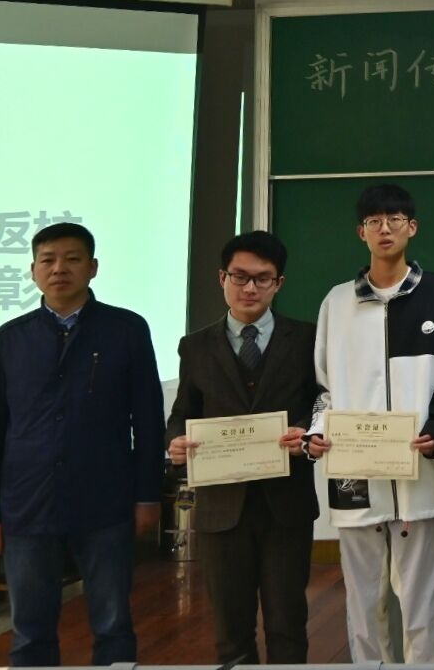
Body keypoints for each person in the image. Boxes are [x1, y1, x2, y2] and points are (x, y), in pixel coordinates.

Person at [0, 223, 164, 666]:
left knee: (113, 625)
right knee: (29, 632)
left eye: (72, 259)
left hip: (106, 501)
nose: (59, 268)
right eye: (48, 260)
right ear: (33, 271)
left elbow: (148, 420)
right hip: (27, 503)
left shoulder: (126, 330)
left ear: (92, 267)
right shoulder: (9, 339)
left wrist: (148, 495)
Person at [304, 184, 434, 663]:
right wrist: (317, 432)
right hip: (354, 475)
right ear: (361, 233)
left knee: (424, 608)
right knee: (363, 605)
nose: (385, 229)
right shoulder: (337, 302)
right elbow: (323, 387)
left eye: (395, 219)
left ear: (411, 227)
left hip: (420, 475)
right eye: (374, 221)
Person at [164, 231, 321, 664]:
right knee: (230, 629)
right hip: (221, 506)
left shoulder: (306, 339)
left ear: (278, 283)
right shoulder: (195, 346)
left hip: (285, 504)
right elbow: (183, 412)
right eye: (240, 276)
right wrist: (174, 442)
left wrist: (307, 432)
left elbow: (321, 403)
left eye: (262, 278)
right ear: (222, 278)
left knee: (288, 623)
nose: (250, 287)